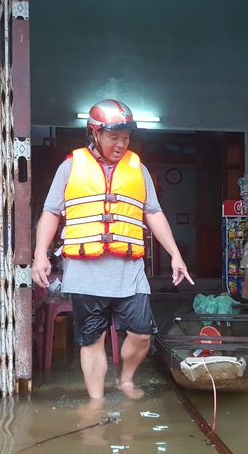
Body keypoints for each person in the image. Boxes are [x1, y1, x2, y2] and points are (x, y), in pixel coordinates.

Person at [32, 99, 194, 400]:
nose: (122, 143)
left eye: (126, 137)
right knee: (92, 339)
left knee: (142, 333)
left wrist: (175, 254)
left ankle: (126, 380)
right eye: (113, 137)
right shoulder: (70, 166)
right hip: (85, 272)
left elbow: (154, 213)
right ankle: (96, 400)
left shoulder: (138, 169)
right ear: (95, 134)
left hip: (129, 271)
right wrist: (40, 253)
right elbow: (51, 212)